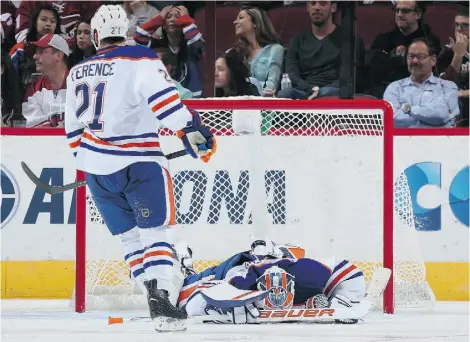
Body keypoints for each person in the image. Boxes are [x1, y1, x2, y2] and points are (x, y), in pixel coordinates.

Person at [64, 5, 216, 332]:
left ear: (94, 36)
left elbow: (73, 130)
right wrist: (194, 131)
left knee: (130, 239)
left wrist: (90, 162)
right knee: (155, 233)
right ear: (128, 31)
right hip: (140, 165)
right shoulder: (140, 58)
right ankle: (160, 299)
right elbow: (166, 104)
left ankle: (150, 292)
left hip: (97, 171)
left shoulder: (77, 71)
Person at [174, 240, 366, 325]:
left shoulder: (309, 274)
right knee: (179, 297)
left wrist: (344, 298)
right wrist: (223, 305)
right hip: (235, 268)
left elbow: (349, 272)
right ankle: (187, 267)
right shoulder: (240, 281)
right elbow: (191, 306)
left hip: (272, 261)